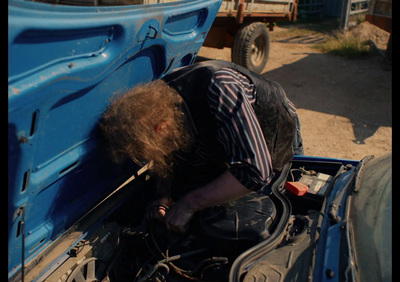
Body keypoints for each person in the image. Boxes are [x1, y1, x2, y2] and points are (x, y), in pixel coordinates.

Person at [100, 60, 303, 233]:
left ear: (162, 128)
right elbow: (166, 158)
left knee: (274, 210)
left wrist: (190, 203)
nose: (152, 156)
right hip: (219, 146)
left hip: (274, 133)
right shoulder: (159, 108)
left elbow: (256, 171)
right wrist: (164, 195)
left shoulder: (221, 87)